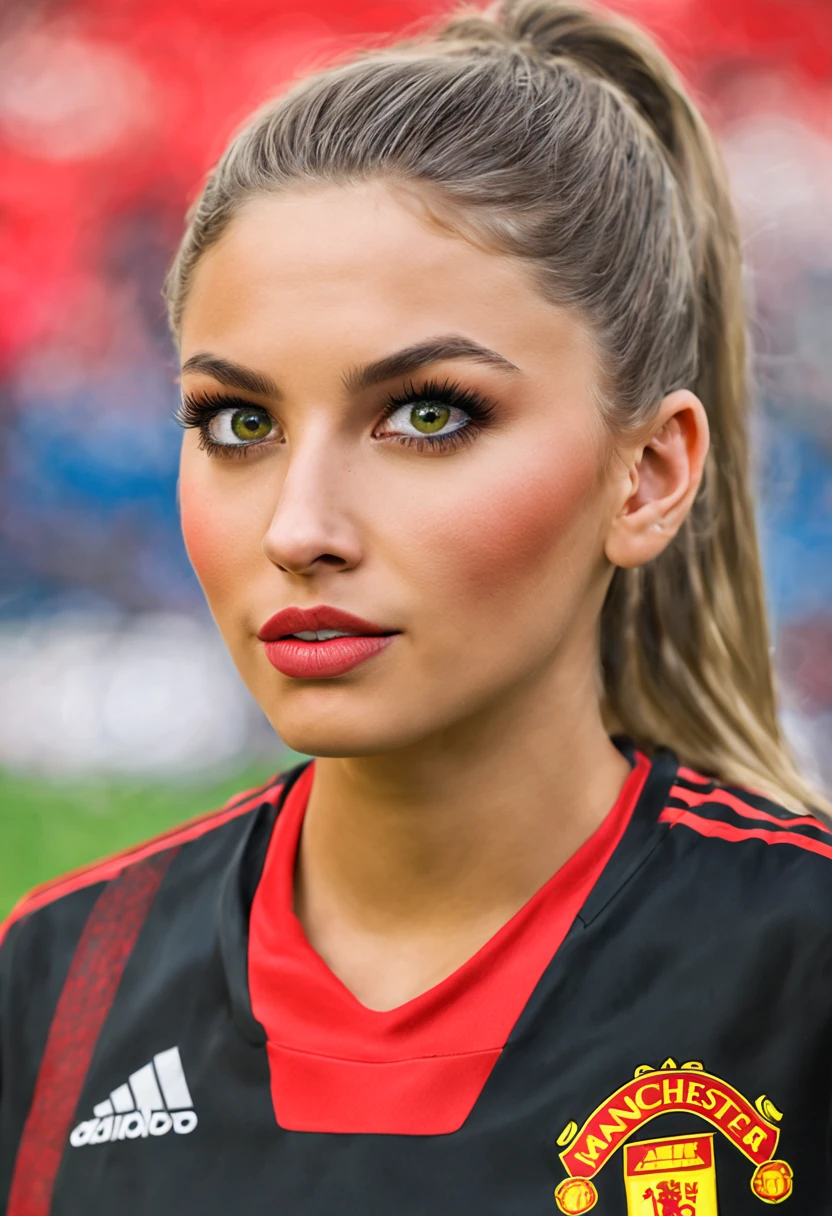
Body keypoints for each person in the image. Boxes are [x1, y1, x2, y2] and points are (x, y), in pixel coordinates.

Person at [1, 1, 829, 1212]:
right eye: (238, 422)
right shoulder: (61, 981)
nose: (298, 526)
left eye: (427, 413)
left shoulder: (802, 974)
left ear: (647, 473)